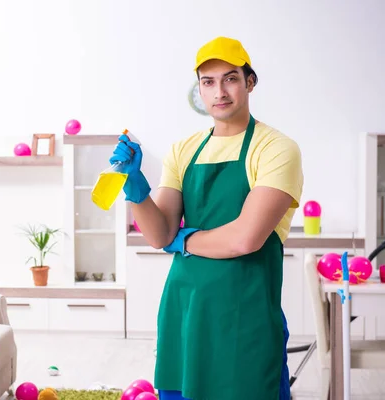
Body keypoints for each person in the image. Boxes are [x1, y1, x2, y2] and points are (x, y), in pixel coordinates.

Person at [109, 36, 304, 400]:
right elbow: (158, 232)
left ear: (250, 81)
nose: (220, 91)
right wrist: (137, 190)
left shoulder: (275, 148)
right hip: (184, 311)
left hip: (245, 318)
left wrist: (182, 240)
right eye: (208, 82)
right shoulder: (184, 149)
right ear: (199, 89)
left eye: (230, 78)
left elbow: (245, 238)